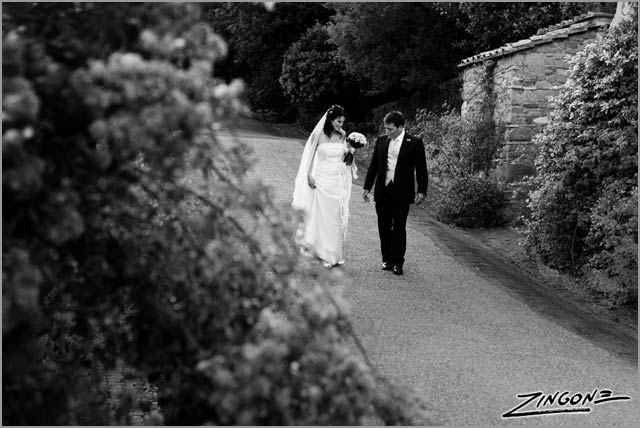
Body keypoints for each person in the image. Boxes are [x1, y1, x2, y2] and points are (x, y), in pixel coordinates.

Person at [362, 111, 428, 276]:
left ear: (401, 127)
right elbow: (374, 166)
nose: (387, 132)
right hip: (383, 190)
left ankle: (398, 262)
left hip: (402, 192)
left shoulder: (414, 143)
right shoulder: (381, 141)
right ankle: (387, 259)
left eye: (390, 129)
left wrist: (421, 190)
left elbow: (421, 169)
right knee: (383, 227)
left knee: (399, 227)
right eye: (386, 128)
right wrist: (367, 187)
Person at [292, 105, 357, 268]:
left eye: (342, 122)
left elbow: (343, 158)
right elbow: (308, 156)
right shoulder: (318, 134)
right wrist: (308, 174)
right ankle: (317, 253)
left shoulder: (343, 135)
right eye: (337, 121)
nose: (340, 125)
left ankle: (331, 255)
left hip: (336, 181)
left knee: (334, 219)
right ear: (330, 120)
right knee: (319, 217)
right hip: (320, 181)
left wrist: (351, 153)